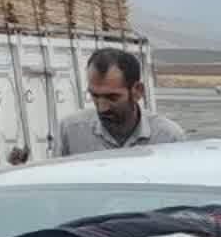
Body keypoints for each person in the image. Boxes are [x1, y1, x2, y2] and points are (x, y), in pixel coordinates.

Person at [56, 48, 185, 156]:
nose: (102, 108)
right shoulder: (70, 132)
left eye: (112, 97)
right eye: (95, 96)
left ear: (137, 91)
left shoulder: (168, 138)